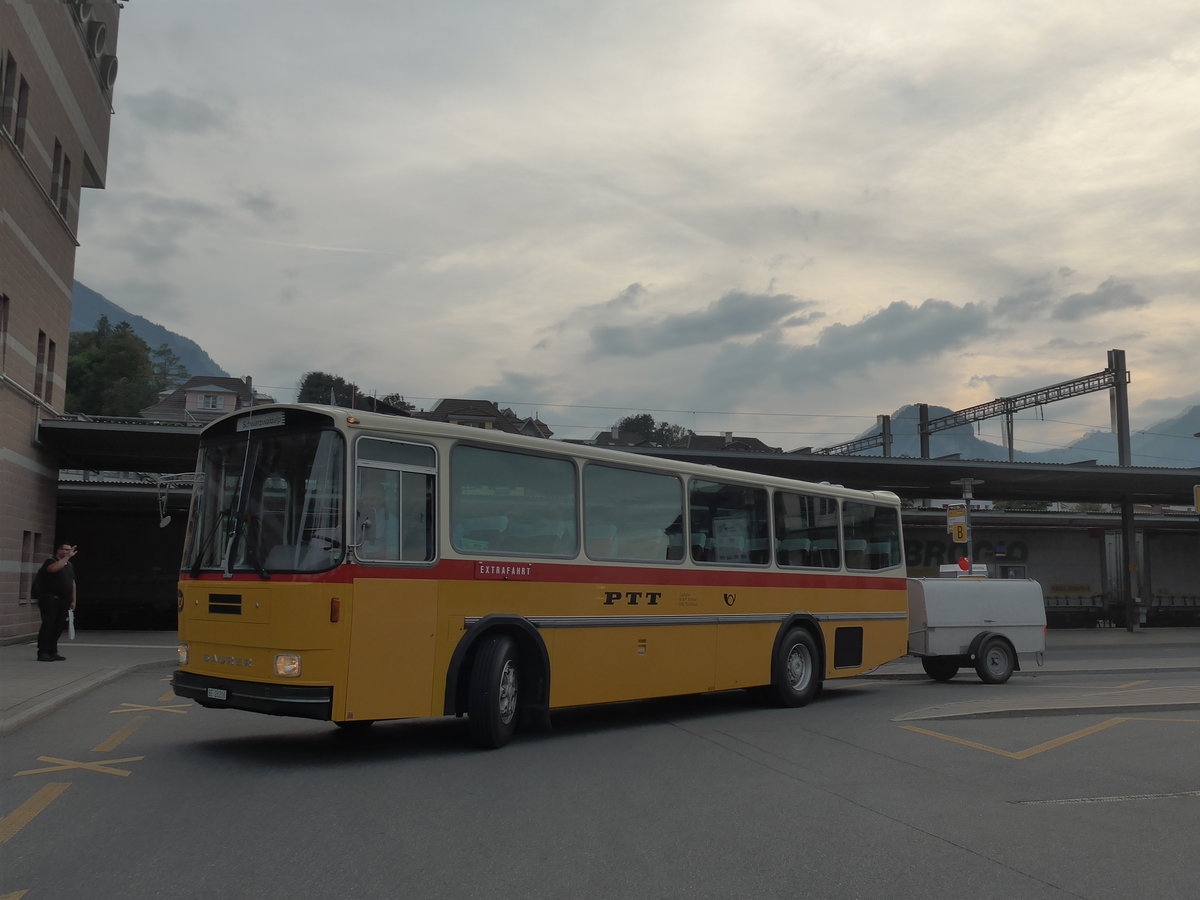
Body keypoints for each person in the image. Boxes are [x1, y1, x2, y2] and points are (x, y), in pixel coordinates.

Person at [36, 542, 77, 662]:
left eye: (69, 550)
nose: (68, 552)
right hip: (50, 599)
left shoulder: (69, 565)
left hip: (64, 600)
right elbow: (53, 569)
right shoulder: (50, 561)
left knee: (58, 626)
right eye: (65, 550)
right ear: (58, 550)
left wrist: (73, 600)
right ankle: (43, 652)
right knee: (49, 624)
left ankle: (53, 651)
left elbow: (72, 583)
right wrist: (67, 557)